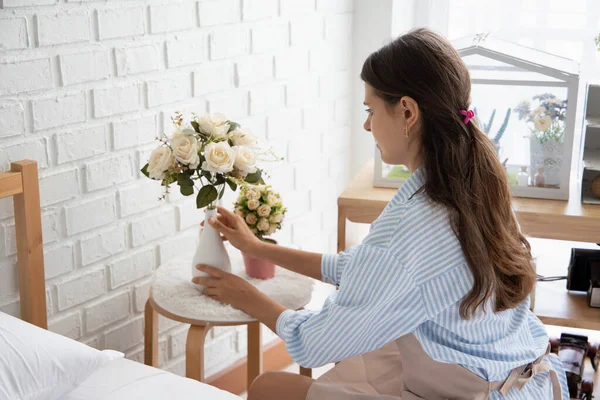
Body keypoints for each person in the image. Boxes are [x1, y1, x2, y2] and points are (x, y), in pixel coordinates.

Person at [192, 28, 569, 400]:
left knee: (267, 387)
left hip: (476, 389)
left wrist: (244, 295)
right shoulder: (477, 185)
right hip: (517, 372)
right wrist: (258, 248)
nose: (367, 124)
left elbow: (312, 343)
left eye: (371, 110)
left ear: (407, 111)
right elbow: (360, 267)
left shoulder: (418, 225)